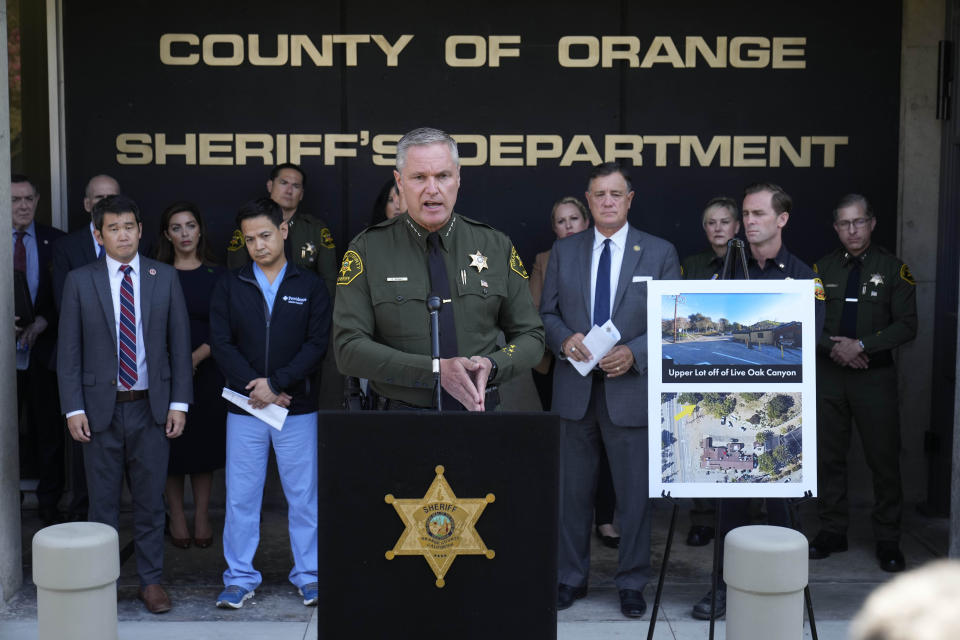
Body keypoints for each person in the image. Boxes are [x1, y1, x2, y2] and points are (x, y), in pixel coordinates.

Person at [541, 162, 681, 618]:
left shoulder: (659, 253)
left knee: (634, 498)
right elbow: (545, 315)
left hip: (630, 391)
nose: (606, 201)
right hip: (574, 392)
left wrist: (635, 353)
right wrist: (563, 339)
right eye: (598, 194)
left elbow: (674, 321)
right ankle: (570, 577)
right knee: (571, 495)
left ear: (629, 199)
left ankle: (632, 582)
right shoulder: (565, 251)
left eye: (615, 194)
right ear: (588, 199)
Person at [333, 127, 544, 411]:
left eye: (442, 176)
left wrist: (493, 365)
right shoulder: (367, 250)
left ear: (458, 177)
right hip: (397, 423)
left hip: (479, 418)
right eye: (419, 177)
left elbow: (531, 337)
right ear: (399, 182)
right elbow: (348, 349)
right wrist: (435, 371)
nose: (432, 189)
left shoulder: (495, 246)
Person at [690, 182, 825, 620]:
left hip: (782, 412)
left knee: (784, 504)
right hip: (734, 408)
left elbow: (809, 341)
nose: (749, 222)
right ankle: (725, 587)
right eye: (745, 214)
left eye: (758, 214)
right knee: (730, 501)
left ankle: (787, 593)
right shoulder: (726, 272)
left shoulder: (803, 276)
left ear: (782, 219)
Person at [57, 194, 192, 614]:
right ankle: (103, 582)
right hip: (98, 411)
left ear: (139, 229)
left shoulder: (163, 276)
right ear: (99, 235)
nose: (123, 234)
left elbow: (178, 345)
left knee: (151, 502)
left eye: (129, 226)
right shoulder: (81, 280)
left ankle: (151, 582)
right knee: (102, 505)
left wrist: (179, 404)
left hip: (149, 408)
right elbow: (69, 352)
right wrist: (73, 408)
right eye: (113, 228)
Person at [210, 197, 330, 609]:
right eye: (249, 239)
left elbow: (317, 345)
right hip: (245, 406)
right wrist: (255, 387)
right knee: (241, 497)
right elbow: (221, 344)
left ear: (283, 230)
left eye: (264, 235)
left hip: (295, 407)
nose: (258, 245)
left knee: (304, 497)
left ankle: (310, 575)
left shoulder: (309, 285)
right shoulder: (230, 283)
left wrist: (277, 383)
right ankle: (240, 577)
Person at [808, 194, 916, 572]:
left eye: (858, 222)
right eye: (843, 223)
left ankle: (888, 539)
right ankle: (832, 530)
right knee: (829, 457)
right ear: (836, 228)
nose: (851, 230)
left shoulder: (893, 269)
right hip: (831, 376)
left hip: (875, 378)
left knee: (883, 459)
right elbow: (808, 318)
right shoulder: (821, 270)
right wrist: (835, 349)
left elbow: (907, 325)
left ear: (872, 223)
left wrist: (862, 346)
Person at [529, 196, 620, 549]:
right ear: (554, 228)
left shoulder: (617, 254)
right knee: (572, 456)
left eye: (573, 219)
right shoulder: (546, 259)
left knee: (611, 448)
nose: (568, 226)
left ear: (588, 222)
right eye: (561, 221)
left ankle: (607, 518)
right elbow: (538, 310)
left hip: (614, 367)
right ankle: (569, 547)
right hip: (561, 366)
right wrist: (567, 339)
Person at [155, 201, 227, 550]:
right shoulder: (155, 273)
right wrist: (174, 363)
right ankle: (177, 516)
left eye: (190, 226)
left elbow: (226, 326)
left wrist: (197, 356)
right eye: (176, 227)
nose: (184, 234)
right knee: (172, 447)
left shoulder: (219, 275)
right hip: (163, 373)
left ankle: (201, 516)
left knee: (202, 449)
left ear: (200, 230)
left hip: (207, 371)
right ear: (167, 234)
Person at [51, 173, 121, 521]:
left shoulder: (137, 245)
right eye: (98, 198)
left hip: (129, 374)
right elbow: (66, 311)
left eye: (112, 197)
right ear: (86, 205)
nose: (105, 204)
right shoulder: (66, 248)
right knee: (83, 458)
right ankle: (83, 524)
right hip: (85, 368)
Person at [679, 197, 741, 547]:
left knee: (742, 435)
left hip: (740, 363)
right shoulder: (692, 264)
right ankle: (703, 518)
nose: (718, 228)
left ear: (737, 227)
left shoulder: (749, 263)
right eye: (711, 223)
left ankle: (748, 515)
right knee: (703, 436)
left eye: (724, 222)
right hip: (702, 361)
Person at [11, 174, 65, 525]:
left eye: (29, 198)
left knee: (48, 431)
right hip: (5, 356)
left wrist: (44, 319)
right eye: (15, 199)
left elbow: (65, 296)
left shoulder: (55, 242)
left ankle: (49, 502)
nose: (24, 205)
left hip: (43, 352)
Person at [226, 162, 338, 295]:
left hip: (305, 304)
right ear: (270, 185)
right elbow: (236, 276)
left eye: (295, 186)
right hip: (259, 304)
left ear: (301, 194)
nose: (289, 191)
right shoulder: (249, 226)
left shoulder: (315, 229)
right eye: (284, 183)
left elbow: (329, 280)